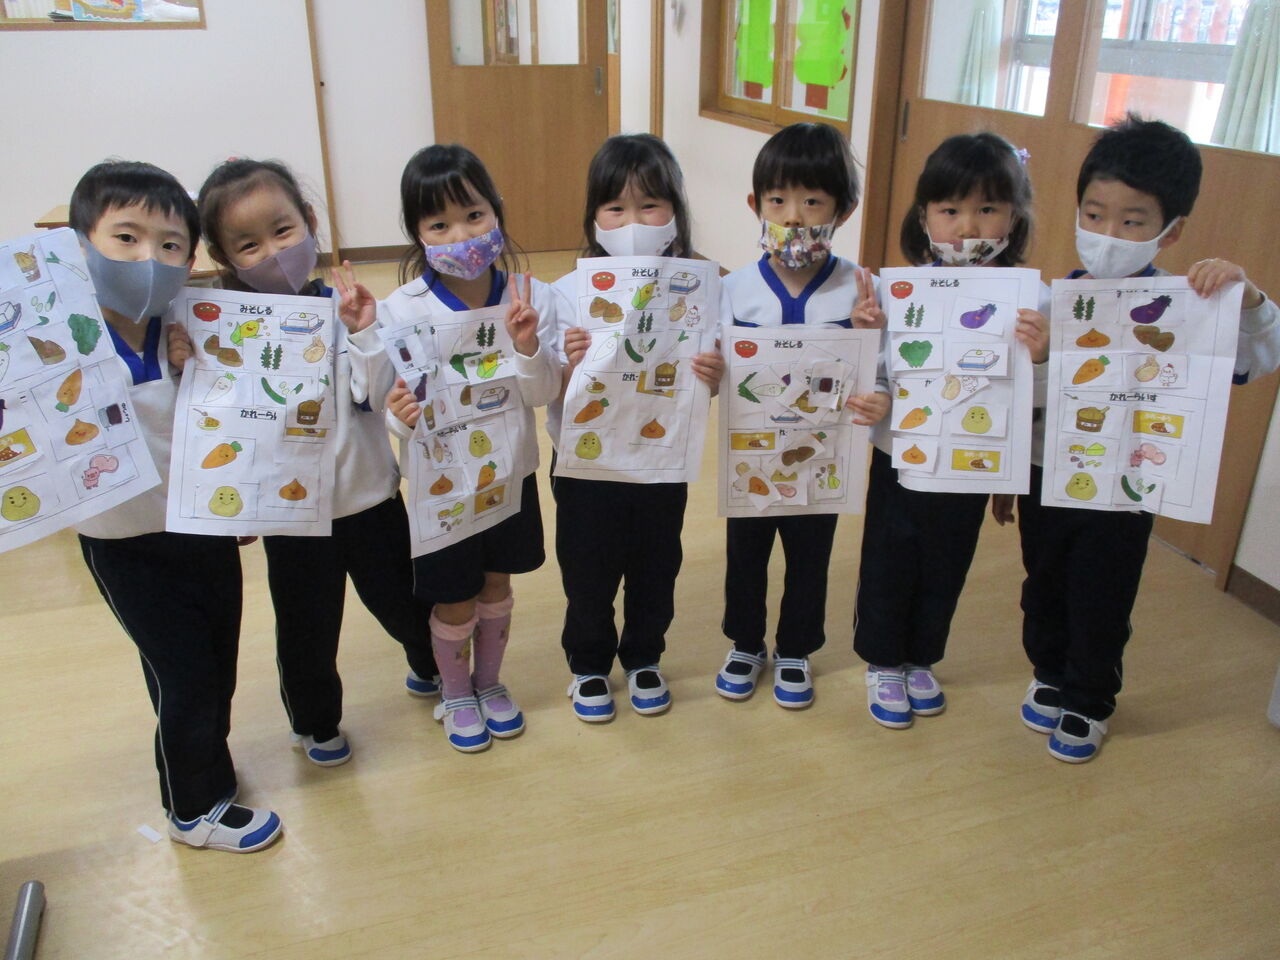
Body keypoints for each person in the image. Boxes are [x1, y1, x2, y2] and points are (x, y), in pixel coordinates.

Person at [992, 115, 1280, 762]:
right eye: (1094, 215)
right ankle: (1049, 672)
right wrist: (1011, 463)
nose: (1107, 234)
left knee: (1102, 592)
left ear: (1170, 230)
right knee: (1043, 582)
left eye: (1131, 221)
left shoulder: (1188, 307)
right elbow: (1024, 399)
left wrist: (1248, 298)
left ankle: (1090, 699)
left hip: (1125, 484)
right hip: (1047, 473)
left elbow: (1255, 359)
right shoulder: (1055, 301)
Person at [169, 158, 439, 768]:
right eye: (249, 244)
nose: (272, 252)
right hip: (291, 517)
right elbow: (221, 427)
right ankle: (314, 722)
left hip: (369, 498)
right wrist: (187, 366)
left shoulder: (348, 306)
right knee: (305, 629)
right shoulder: (225, 331)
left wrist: (365, 333)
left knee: (404, 599)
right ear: (223, 256)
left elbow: (377, 395)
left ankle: (430, 664)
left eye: (283, 230)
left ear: (310, 221)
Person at [72, 160, 281, 853]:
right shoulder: (65, 343)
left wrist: (238, 503)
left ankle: (206, 767)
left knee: (217, 659)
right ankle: (192, 807)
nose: (149, 259)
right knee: (183, 672)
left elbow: (227, 425)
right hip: (125, 540)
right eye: (125, 238)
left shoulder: (188, 326)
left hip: (202, 523)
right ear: (81, 244)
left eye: (170, 245)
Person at [347, 144, 562, 753]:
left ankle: (489, 683)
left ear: (496, 211)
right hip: (441, 482)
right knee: (453, 596)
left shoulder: (529, 295)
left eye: (473, 216)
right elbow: (391, 406)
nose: (461, 236)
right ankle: (456, 690)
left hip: (511, 473)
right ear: (417, 233)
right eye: (438, 224)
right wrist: (402, 418)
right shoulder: (401, 309)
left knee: (496, 584)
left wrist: (527, 346)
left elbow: (542, 393)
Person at [855, 133, 1049, 730]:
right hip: (902, 453)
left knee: (948, 562)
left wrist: (1042, 359)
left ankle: (921, 657)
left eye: (987, 209)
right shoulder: (898, 290)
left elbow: (1033, 397)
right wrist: (871, 361)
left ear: (1015, 217)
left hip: (973, 459)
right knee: (889, 557)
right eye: (950, 210)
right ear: (925, 217)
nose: (967, 227)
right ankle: (882, 660)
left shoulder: (1032, 298)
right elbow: (879, 369)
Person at [549, 134, 725, 722]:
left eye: (650, 206)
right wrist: (568, 365)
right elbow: (546, 388)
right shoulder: (566, 294)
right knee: (587, 572)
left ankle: (645, 655)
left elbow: (709, 379)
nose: (632, 223)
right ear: (593, 217)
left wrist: (714, 377)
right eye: (615, 208)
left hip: (661, 462)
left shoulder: (701, 289)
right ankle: (588, 663)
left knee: (656, 567)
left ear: (674, 211)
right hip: (586, 469)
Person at [714, 123, 889, 708]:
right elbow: (714, 373)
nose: (793, 216)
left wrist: (872, 361)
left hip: (825, 456)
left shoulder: (863, 290)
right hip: (751, 454)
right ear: (755, 205)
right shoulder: (733, 289)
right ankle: (745, 643)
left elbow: (881, 374)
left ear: (844, 210)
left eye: (812, 201)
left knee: (811, 556)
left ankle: (796, 647)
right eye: (778, 200)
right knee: (746, 554)